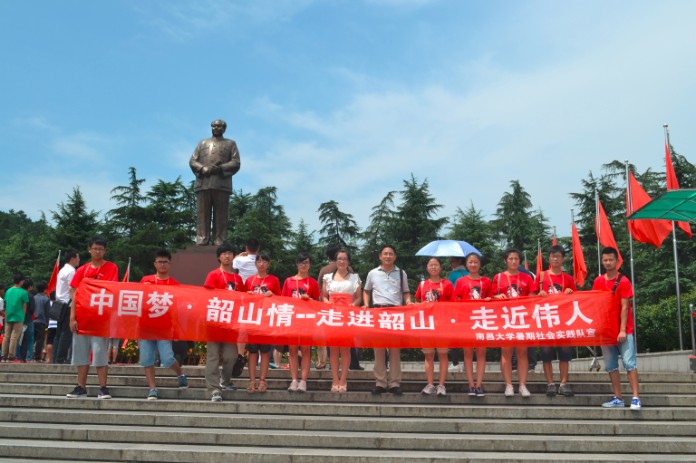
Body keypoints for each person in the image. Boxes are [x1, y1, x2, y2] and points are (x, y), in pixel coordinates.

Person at [66, 237, 119, 399]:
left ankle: (103, 387)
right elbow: (73, 294)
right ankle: (81, 387)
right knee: (81, 354)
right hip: (82, 319)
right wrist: (72, 318)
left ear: (105, 251)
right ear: (89, 249)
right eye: (95, 248)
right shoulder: (82, 270)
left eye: (101, 249)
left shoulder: (112, 268)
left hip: (101, 319)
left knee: (99, 352)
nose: (97, 251)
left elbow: (113, 290)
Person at [593, 247, 641, 411]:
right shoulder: (598, 281)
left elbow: (625, 307)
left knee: (629, 363)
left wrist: (622, 330)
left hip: (623, 331)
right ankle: (618, 397)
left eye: (610, 260)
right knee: (611, 366)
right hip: (606, 331)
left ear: (617, 261)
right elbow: (594, 304)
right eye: (605, 260)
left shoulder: (624, 281)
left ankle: (635, 397)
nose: (607, 262)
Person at [139, 249, 188, 400]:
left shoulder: (174, 284)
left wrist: (178, 329)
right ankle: (152, 388)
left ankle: (180, 374)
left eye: (165, 262)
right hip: (146, 326)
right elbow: (136, 300)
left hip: (164, 327)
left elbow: (178, 307)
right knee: (147, 359)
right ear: (154, 264)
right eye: (159, 261)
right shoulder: (146, 280)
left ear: (170, 264)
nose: (162, 264)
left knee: (167, 358)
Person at [364, 245, 411, 395]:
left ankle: (394, 383)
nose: (388, 256)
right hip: (378, 311)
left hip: (396, 312)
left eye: (391, 254)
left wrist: (409, 303)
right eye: (385, 254)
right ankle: (380, 382)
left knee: (395, 350)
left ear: (395, 257)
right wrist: (366, 304)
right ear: (380, 256)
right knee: (378, 349)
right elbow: (366, 291)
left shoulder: (401, 273)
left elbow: (406, 293)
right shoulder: (373, 273)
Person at [533, 245, 577, 398]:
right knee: (546, 354)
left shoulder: (568, 278)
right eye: (553, 256)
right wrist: (539, 294)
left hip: (564, 321)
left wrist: (570, 293)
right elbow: (531, 296)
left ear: (563, 258)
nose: (556, 258)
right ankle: (550, 383)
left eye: (558, 256)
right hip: (546, 321)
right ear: (549, 258)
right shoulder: (541, 276)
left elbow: (577, 301)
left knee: (564, 354)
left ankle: (563, 384)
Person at [203, 242, 244, 402]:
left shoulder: (238, 278)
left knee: (231, 356)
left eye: (230, 253)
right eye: (224, 253)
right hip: (214, 321)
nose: (227, 256)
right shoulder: (213, 275)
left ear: (234, 256)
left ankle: (225, 381)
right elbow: (207, 297)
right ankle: (214, 389)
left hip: (230, 323)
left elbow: (243, 299)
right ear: (219, 257)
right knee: (213, 357)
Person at [189, 119, 241, 246]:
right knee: (202, 215)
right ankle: (202, 239)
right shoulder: (202, 143)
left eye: (219, 126)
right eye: (214, 126)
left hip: (222, 184)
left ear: (224, 128)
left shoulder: (230, 144)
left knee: (221, 216)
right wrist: (202, 168)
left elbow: (236, 162)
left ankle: (220, 240)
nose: (216, 128)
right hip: (203, 184)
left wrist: (221, 168)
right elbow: (192, 161)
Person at [492, 248, 534, 397]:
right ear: (505, 261)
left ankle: (522, 384)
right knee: (506, 352)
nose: (514, 261)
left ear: (520, 261)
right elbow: (491, 297)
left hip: (522, 318)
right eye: (510, 259)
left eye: (516, 259)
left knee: (522, 352)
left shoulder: (527, 277)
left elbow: (532, 296)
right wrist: (498, 297)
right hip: (505, 319)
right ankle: (508, 384)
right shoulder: (498, 278)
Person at [322, 248, 362, 393]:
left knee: (345, 349)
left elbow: (358, 296)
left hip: (347, 315)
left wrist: (353, 305)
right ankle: (334, 380)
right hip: (333, 315)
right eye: (339, 258)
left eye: (345, 259)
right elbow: (324, 296)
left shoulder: (355, 278)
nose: (342, 261)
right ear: (335, 261)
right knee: (333, 349)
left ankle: (343, 380)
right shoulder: (328, 277)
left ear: (349, 261)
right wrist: (328, 305)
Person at [415, 257, 453, 396]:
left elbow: (453, 304)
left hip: (442, 324)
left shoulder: (447, 284)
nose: (433, 267)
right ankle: (430, 384)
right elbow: (418, 301)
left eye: (436, 265)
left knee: (443, 355)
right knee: (429, 355)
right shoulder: (423, 284)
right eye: (430, 265)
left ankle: (441, 385)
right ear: (427, 268)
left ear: (440, 268)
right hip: (426, 325)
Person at [282, 252, 321, 393]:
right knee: (292, 350)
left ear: (310, 265)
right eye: (301, 262)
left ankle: (303, 381)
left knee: (305, 350)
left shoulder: (313, 282)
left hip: (307, 319)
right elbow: (283, 301)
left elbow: (318, 303)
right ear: (297, 264)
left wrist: (309, 300)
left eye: (307, 263)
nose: (304, 265)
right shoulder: (288, 281)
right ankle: (294, 380)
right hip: (292, 318)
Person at [454, 252, 491, 397]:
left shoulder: (486, 281)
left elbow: (492, 298)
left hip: (482, 320)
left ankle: (479, 384)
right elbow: (456, 301)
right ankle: (471, 384)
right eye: (470, 262)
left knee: (481, 352)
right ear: (466, 264)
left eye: (476, 262)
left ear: (480, 264)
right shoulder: (461, 281)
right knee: (468, 353)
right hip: (466, 320)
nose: (473, 264)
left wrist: (489, 299)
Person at [244, 252, 281, 393]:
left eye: (264, 261)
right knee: (252, 352)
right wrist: (249, 296)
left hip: (266, 320)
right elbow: (242, 299)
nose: (261, 264)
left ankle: (262, 381)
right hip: (252, 320)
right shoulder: (249, 281)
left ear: (268, 264)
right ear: (255, 264)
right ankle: (252, 381)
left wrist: (272, 295)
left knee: (265, 351)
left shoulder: (274, 280)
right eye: (258, 261)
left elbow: (280, 299)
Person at [53, 249, 80, 364]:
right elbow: (72, 289)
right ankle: (61, 358)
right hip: (67, 305)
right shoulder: (71, 271)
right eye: (78, 258)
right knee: (66, 333)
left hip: (59, 304)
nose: (79, 260)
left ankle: (56, 358)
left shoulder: (62, 270)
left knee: (58, 333)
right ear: (72, 259)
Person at [1, 274, 28, 362]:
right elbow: (24, 306)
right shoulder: (23, 292)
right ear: (20, 281)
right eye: (23, 280)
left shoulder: (8, 291)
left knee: (6, 336)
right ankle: (11, 356)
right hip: (19, 316)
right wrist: (23, 316)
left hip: (9, 315)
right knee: (14, 336)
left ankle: (3, 355)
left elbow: (6, 302)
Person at [32, 281, 51, 362]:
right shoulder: (46, 299)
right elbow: (48, 313)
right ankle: (37, 357)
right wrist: (47, 323)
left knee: (31, 339)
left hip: (32, 321)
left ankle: (28, 355)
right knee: (40, 340)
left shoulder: (33, 297)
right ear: (45, 289)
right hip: (42, 321)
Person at [17, 278, 35, 362]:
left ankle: (17, 355)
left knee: (18, 338)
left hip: (18, 318)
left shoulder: (18, 293)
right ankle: (29, 356)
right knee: (29, 339)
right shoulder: (30, 296)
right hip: (28, 319)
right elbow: (32, 309)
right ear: (30, 287)